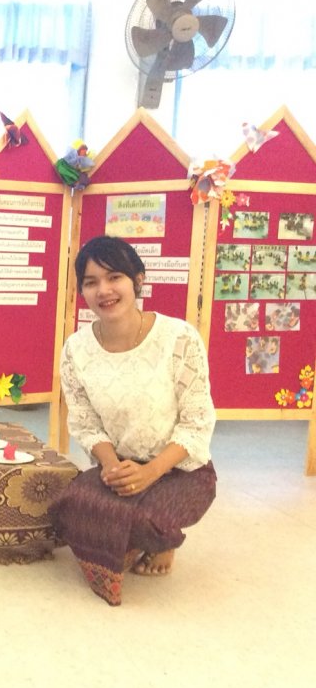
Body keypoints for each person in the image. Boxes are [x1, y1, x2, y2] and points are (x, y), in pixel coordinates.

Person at [49, 236, 217, 606]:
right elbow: (85, 422)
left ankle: (161, 542)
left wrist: (151, 471)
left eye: (114, 277)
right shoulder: (76, 349)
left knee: (147, 519)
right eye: (91, 282)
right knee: (69, 505)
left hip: (179, 470)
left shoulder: (179, 338)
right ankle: (125, 538)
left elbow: (197, 422)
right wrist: (110, 465)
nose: (104, 291)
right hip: (120, 468)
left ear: (138, 280)